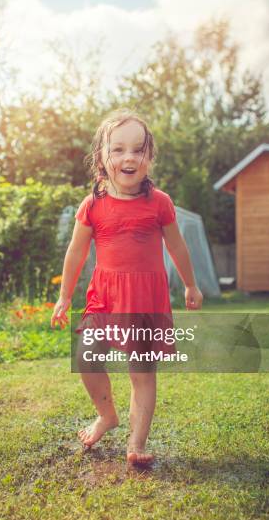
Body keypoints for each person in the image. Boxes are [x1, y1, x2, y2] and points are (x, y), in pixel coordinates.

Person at [51, 109, 203, 466]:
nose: (129, 157)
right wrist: (63, 296)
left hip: (144, 300)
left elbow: (176, 246)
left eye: (138, 150)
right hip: (104, 296)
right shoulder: (93, 205)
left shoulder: (159, 203)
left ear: (149, 157)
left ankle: (137, 443)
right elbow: (76, 253)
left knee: (142, 373)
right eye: (118, 149)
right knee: (86, 358)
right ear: (102, 157)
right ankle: (107, 415)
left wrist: (191, 284)